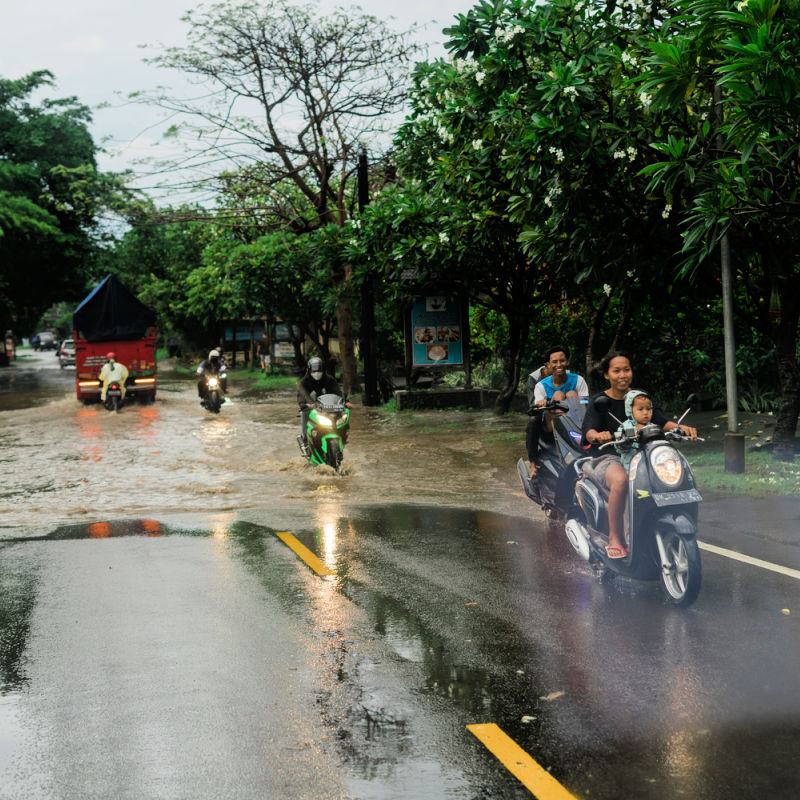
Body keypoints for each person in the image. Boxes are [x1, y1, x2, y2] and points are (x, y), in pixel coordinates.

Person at [581, 352, 697, 559]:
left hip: (645, 454)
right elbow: (588, 431)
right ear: (607, 375)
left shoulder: (641, 397)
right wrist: (599, 435)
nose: (622, 375)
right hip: (610, 457)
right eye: (616, 371)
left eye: (626, 369)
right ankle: (615, 537)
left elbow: (662, 421)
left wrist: (682, 428)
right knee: (621, 480)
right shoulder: (600, 401)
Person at [527, 346, 589, 478]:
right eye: (554, 362)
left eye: (562, 361)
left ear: (567, 362)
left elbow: (585, 404)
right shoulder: (541, 386)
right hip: (551, 425)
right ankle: (532, 463)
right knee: (558, 395)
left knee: (572, 393)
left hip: (575, 424)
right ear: (548, 365)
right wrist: (542, 403)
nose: (559, 365)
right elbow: (537, 407)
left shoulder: (579, 380)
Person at [297, 356, 347, 444]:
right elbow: (301, 395)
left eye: (319, 371)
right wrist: (303, 405)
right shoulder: (304, 382)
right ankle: (305, 437)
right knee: (304, 412)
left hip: (327, 404)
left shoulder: (329, 379)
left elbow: (338, 392)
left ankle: (343, 436)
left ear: (323, 370)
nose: (317, 373)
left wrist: (346, 401)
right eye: (314, 371)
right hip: (312, 405)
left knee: (343, 415)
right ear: (309, 371)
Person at [616, 389, 652, 471]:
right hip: (630, 466)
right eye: (640, 409)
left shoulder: (652, 426)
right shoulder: (623, 426)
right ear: (630, 410)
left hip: (650, 463)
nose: (645, 412)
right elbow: (618, 446)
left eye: (648, 409)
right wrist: (632, 435)